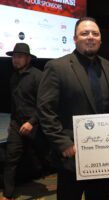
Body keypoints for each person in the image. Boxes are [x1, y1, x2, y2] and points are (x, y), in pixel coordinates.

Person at [37, 17, 109, 200]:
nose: (90, 37)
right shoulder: (57, 67)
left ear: (100, 39)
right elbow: (45, 110)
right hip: (71, 157)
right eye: (84, 33)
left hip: (104, 156)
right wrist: (63, 143)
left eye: (95, 34)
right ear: (74, 38)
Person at [2, 43, 49, 200]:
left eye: (20, 57)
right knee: (10, 158)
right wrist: (13, 122)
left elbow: (44, 104)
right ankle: (8, 194)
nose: (16, 60)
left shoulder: (38, 76)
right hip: (16, 124)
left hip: (35, 124)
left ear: (28, 59)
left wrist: (31, 122)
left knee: (48, 155)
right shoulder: (13, 77)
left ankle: (65, 182)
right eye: (14, 57)